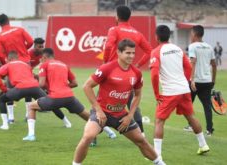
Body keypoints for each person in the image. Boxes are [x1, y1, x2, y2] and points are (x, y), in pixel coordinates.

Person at [72, 39, 165, 165]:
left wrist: (130, 115)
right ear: (119, 53)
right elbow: (87, 86)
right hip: (102, 114)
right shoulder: (106, 68)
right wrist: (98, 110)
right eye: (128, 53)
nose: (131, 56)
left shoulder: (136, 73)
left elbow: (137, 95)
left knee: (141, 141)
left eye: (133, 53)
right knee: (88, 137)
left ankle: (160, 163)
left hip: (121, 116)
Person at [22, 48, 116, 141]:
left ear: (44, 57)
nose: (40, 60)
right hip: (69, 97)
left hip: (55, 98)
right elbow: (74, 83)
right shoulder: (63, 64)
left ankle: (31, 135)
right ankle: (110, 132)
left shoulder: (44, 65)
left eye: (40, 59)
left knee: (31, 106)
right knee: (88, 116)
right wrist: (63, 87)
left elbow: (41, 84)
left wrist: (34, 84)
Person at [150, 25, 210, 159]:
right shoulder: (178, 49)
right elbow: (188, 67)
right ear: (169, 36)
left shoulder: (156, 51)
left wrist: (156, 93)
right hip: (184, 89)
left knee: (159, 121)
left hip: (169, 92)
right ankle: (203, 144)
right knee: (191, 117)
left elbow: (154, 74)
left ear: (156, 37)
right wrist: (185, 83)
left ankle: (156, 154)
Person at [103, 5, 152, 136]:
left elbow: (108, 46)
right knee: (131, 102)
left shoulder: (114, 29)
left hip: (111, 72)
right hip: (127, 73)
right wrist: (137, 65)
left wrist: (105, 63)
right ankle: (141, 132)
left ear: (117, 17)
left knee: (99, 103)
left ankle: (92, 137)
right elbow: (149, 51)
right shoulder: (137, 33)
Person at [0, 51, 71, 130]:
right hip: (35, 87)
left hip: (20, 88)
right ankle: (67, 122)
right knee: (51, 103)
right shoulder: (26, 65)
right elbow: (31, 75)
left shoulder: (8, 65)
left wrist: (4, 89)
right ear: (17, 58)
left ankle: (5, 125)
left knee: (2, 99)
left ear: (8, 59)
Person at [183, 25, 217, 136]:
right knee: (207, 106)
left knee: (188, 104)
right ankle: (209, 130)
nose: (190, 36)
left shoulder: (193, 46)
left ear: (195, 34)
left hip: (195, 81)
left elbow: (193, 62)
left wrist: (192, 80)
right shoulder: (209, 47)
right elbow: (214, 65)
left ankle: (191, 125)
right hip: (207, 81)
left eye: (191, 34)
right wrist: (213, 80)